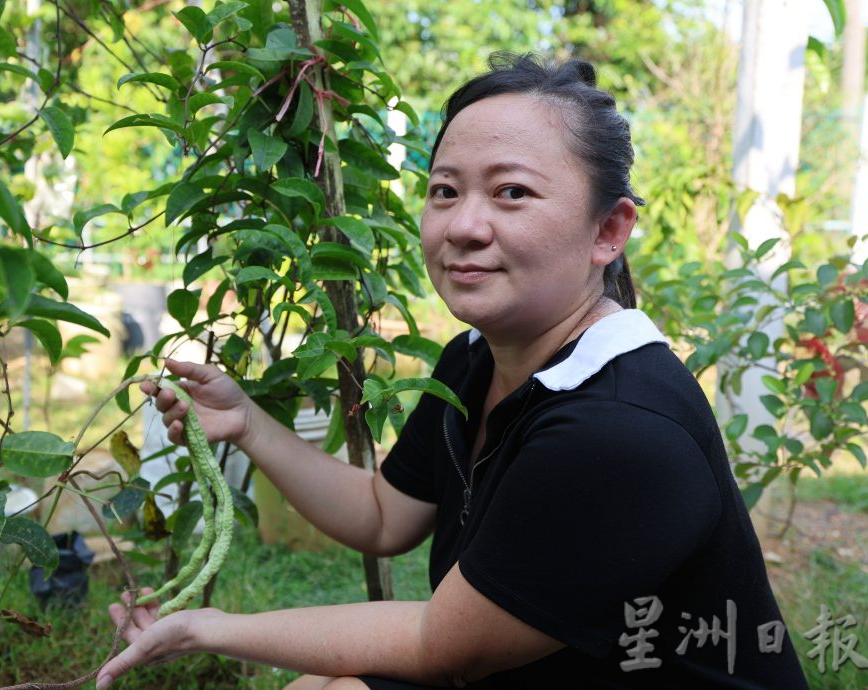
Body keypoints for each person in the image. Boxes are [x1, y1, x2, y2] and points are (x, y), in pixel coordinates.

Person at [96, 54, 808, 689]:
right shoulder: (476, 360)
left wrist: (205, 628)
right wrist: (247, 424)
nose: (463, 226)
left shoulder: (616, 430)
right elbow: (382, 516)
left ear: (607, 231)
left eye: (511, 193)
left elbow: (440, 644)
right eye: (444, 191)